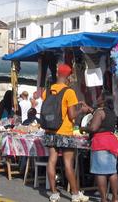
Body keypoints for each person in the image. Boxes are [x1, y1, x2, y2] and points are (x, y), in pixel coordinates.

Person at [42, 64, 89, 202]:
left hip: (50, 130)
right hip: (65, 132)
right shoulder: (69, 92)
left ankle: (54, 194)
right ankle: (75, 194)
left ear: (57, 74)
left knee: (51, 161)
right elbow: (72, 115)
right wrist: (81, 110)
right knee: (68, 163)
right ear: (68, 76)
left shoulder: (48, 90)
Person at [82, 92, 118, 202]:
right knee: (112, 171)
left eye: (100, 96)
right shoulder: (111, 113)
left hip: (100, 143)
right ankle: (115, 197)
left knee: (100, 172)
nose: (98, 98)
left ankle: (103, 199)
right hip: (111, 142)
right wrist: (90, 110)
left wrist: (83, 128)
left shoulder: (100, 112)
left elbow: (93, 128)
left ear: (104, 100)